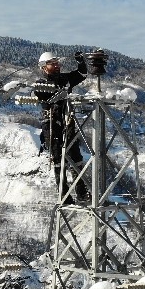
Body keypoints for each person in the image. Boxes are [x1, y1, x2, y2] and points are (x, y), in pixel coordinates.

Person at [33, 51, 90, 204]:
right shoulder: (41, 83)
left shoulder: (65, 78)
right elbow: (40, 92)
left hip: (67, 120)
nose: (57, 65)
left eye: (57, 63)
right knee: (58, 159)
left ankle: (81, 192)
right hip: (51, 122)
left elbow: (82, 74)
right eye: (53, 64)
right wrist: (59, 89)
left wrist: (81, 62)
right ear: (44, 67)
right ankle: (64, 194)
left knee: (76, 156)